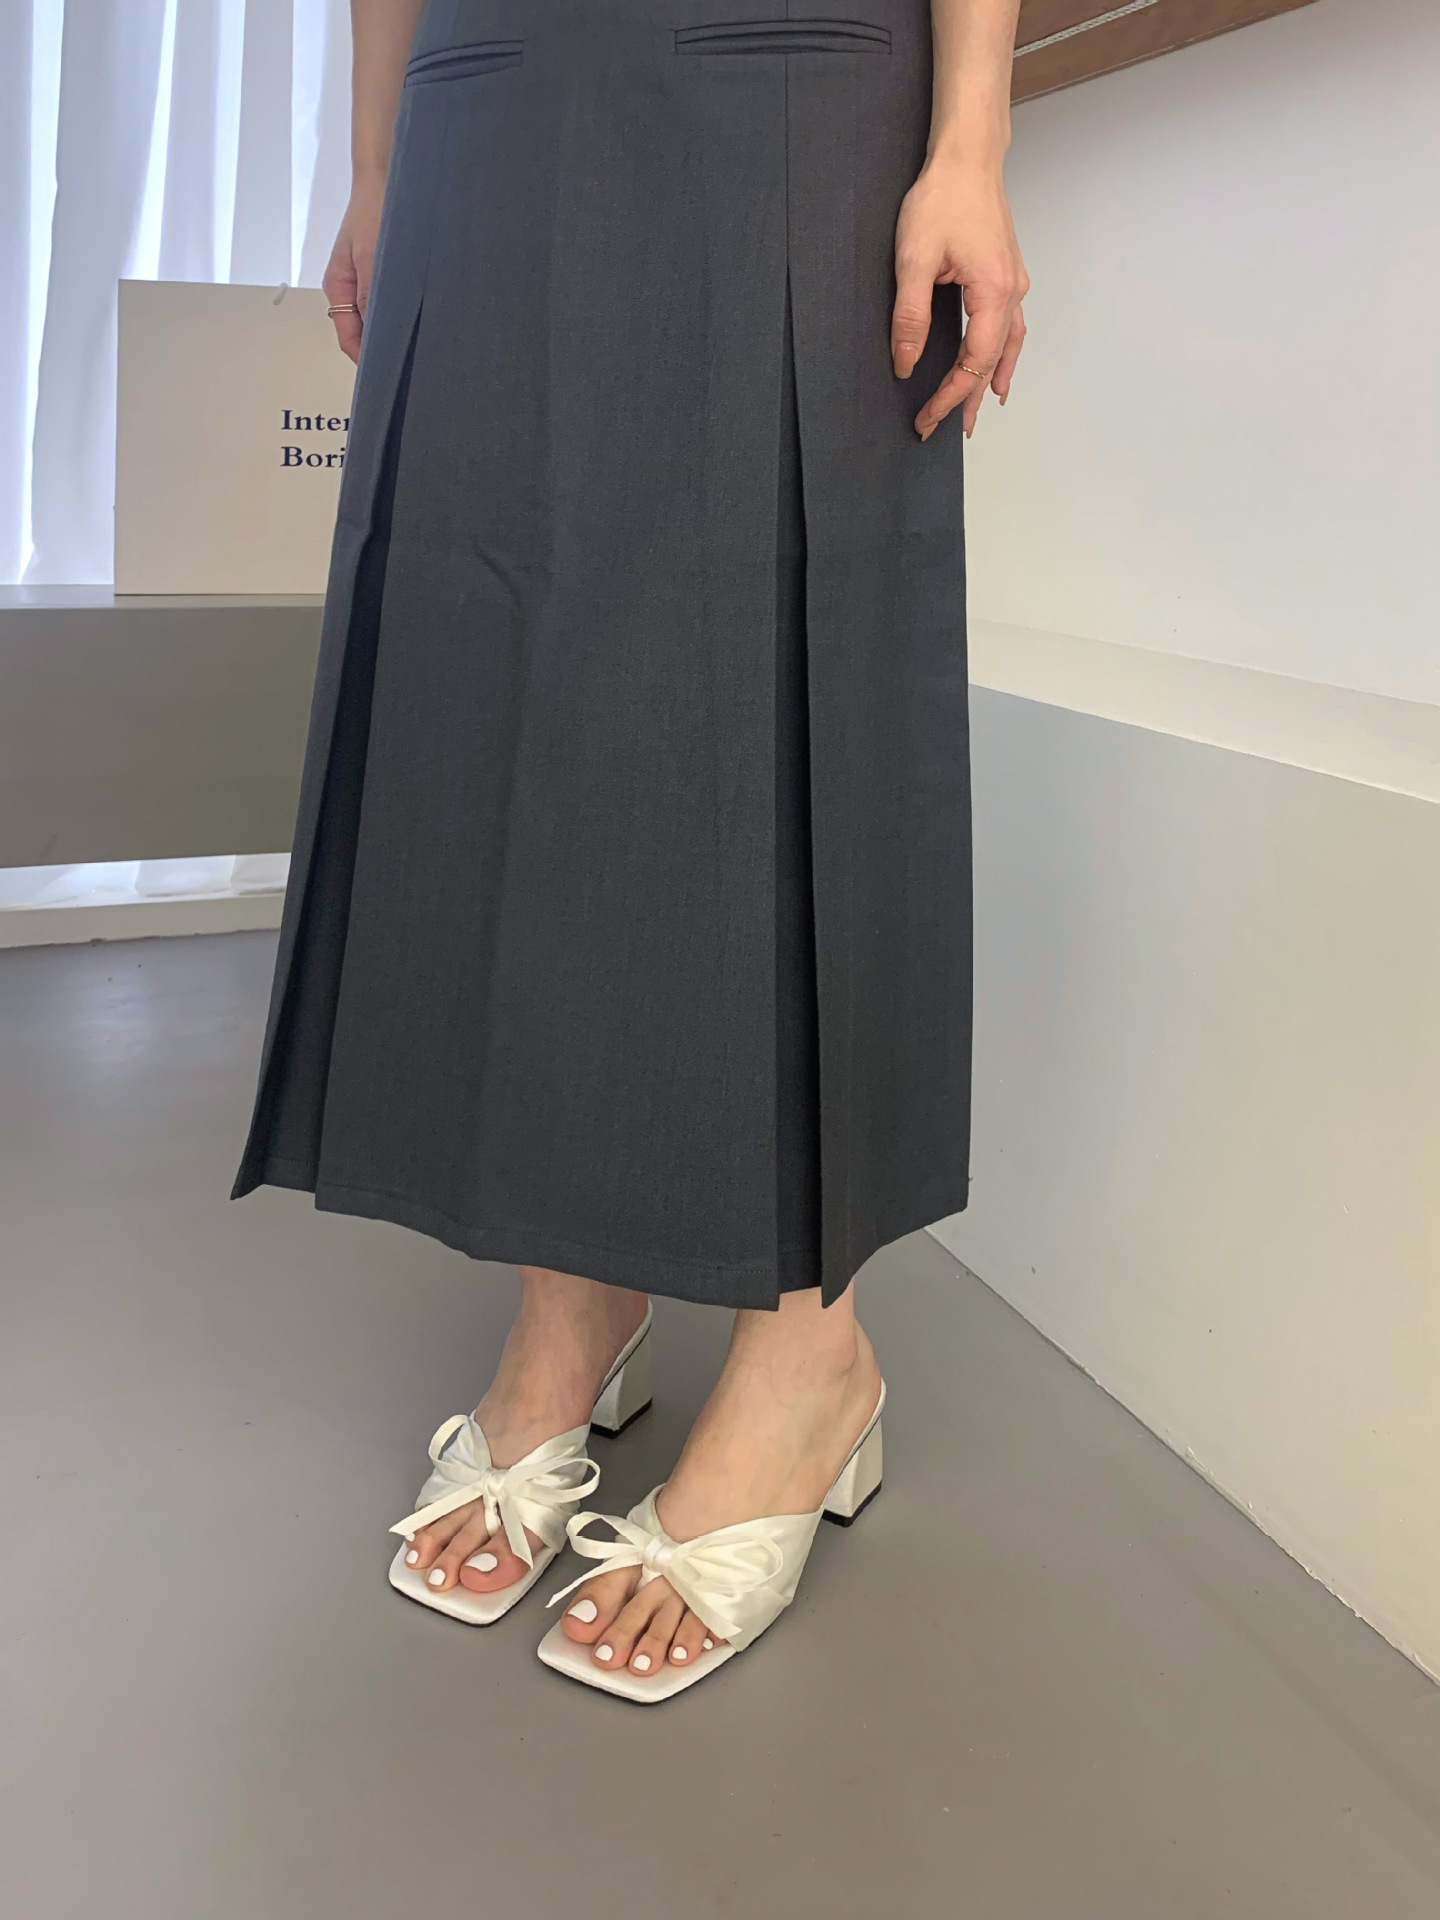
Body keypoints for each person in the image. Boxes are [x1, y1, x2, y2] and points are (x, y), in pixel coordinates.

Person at [234, 0, 1027, 1700]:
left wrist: (971, 140)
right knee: (497, 655)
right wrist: (376, 159)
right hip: (487, 79)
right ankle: (571, 1304)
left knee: (783, 645)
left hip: (795, 58)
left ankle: (811, 1362)